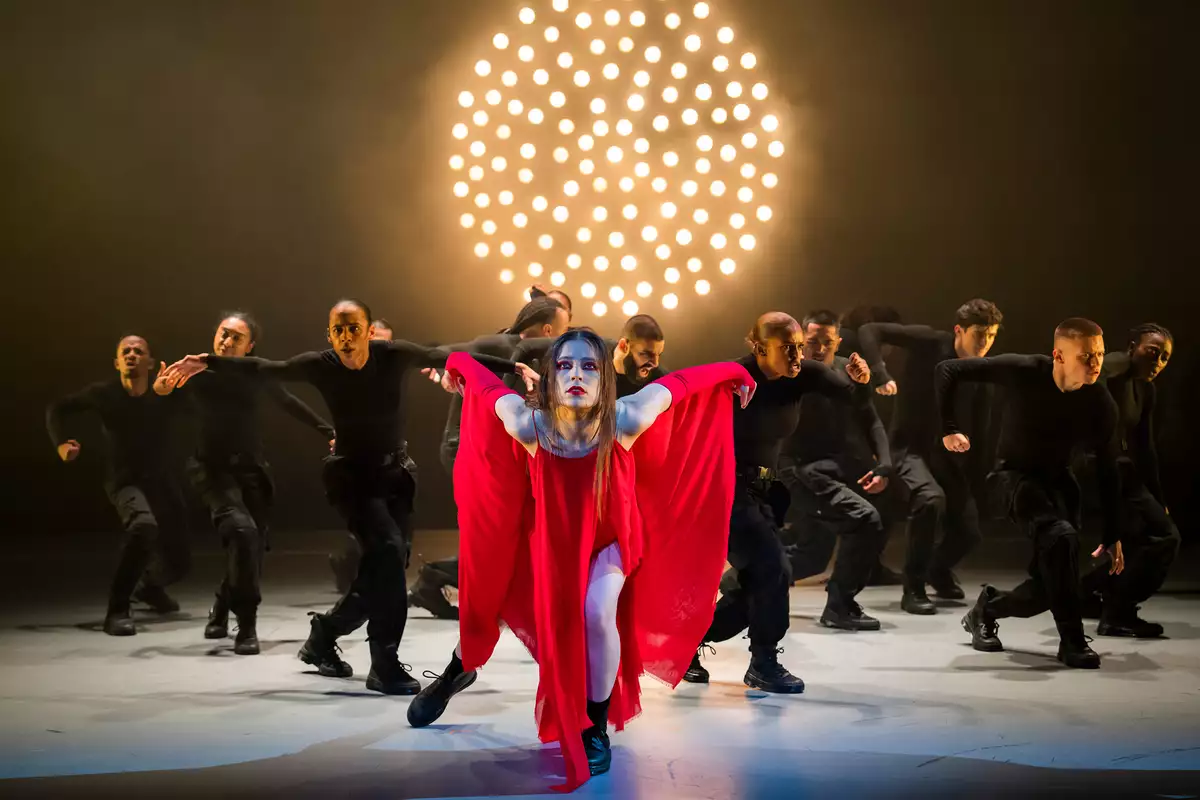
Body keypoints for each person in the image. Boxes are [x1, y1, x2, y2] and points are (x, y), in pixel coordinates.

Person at [405, 330, 753, 791]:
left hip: (612, 541)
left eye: (589, 366)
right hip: (551, 544)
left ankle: (594, 727)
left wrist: (736, 371)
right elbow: (486, 387)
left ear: (605, 377)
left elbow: (680, 385)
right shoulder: (529, 425)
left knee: (596, 612)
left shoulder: (626, 419)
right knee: (495, 596)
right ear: (551, 377)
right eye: (566, 365)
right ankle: (458, 670)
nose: (576, 375)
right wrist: (456, 368)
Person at [160, 299, 534, 694]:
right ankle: (383, 665)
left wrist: (513, 367)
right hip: (351, 478)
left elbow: (447, 355)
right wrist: (206, 360)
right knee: (388, 552)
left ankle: (323, 637)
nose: (345, 337)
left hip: (396, 476)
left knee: (386, 565)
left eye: (353, 328)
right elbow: (267, 369)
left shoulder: (392, 355)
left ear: (370, 331)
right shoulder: (323, 364)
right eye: (337, 330)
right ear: (329, 335)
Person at [684, 313, 871, 691]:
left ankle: (689, 638)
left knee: (757, 580)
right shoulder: (730, 376)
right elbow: (678, 403)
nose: (797, 356)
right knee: (774, 568)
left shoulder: (804, 375)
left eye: (799, 347)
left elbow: (851, 396)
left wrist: (861, 379)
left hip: (764, 489)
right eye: (787, 348)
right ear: (758, 348)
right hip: (722, 491)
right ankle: (763, 661)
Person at [945, 318, 1125, 669]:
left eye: (1099, 355)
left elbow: (1108, 466)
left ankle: (988, 607)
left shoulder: (1100, 401)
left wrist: (1113, 531)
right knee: (1060, 538)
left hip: (1058, 484)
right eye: (1086, 356)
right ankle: (1072, 642)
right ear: (1058, 355)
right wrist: (948, 427)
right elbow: (948, 370)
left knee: (1052, 583)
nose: (1095, 363)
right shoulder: (1026, 371)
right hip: (1012, 478)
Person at [154, 312, 334, 654]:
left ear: (250, 346)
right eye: (224, 333)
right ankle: (247, 625)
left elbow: (288, 402)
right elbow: (166, 394)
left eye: (237, 338)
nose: (227, 341)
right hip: (212, 471)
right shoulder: (196, 371)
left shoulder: (255, 373)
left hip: (252, 471)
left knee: (250, 545)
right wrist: (161, 389)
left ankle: (222, 607)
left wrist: (328, 432)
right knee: (242, 533)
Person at [406, 296, 571, 620]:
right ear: (549, 329)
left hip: (490, 451)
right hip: (464, 447)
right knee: (494, 531)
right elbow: (444, 352)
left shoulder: (533, 358)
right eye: (563, 331)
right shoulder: (498, 344)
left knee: (507, 530)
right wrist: (445, 368)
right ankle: (434, 580)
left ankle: (440, 581)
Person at [857, 299, 1004, 613]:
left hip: (945, 456)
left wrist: (982, 476)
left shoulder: (981, 372)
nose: (985, 342)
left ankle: (937, 569)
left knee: (969, 530)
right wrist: (880, 373)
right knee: (930, 499)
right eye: (979, 333)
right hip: (909, 447)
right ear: (958, 330)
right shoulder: (930, 342)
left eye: (991, 335)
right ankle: (914, 587)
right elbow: (870, 330)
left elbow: (981, 427)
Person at [46, 335, 190, 635]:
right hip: (124, 480)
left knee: (179, 562)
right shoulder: (105, 394)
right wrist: (61, 444)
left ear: (150, 362)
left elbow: (199, 406)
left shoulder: (162, 393)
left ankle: (149, 588)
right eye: (126, 351)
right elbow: (57, 409)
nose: (132, 354)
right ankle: (118, 609)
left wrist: (172, 390)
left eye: (139, 351)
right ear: (117, 362)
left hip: (161, 480)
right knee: (143, 527)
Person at [777, 310, 893, 630]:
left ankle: (742, 582)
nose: (817, 349)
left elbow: (871, 419)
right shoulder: (792, 371)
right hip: (798, 471)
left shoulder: (848, 371)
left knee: (813, 557)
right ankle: (839, 606)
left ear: (837, 342)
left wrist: (884, 465)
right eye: (810, 342)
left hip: (829, 471)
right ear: (801, 341)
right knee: (865, 519)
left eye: (825, 343)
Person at [1079, 323, 1178, 637]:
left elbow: (1145, 447)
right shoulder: (1110, 369)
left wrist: (1159, 498)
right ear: (1132, 345)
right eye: (1152, 352)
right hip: (1093, 467)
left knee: (1149, 537)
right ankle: (1118, 610)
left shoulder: (1145, 389)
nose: (1158, 362)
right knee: (1162, 538)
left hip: (1121, 470)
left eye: (1164, 358)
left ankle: (1087, 594)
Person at [327, 317, 413, 595]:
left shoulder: (392, 367)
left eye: (387, 343)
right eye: (376, 342)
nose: (381, 348)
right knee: (377, 532)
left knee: (397, 533)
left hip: (395, 458)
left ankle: (385, 581)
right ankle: (352, 570)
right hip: (359, 462)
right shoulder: (348, 372)